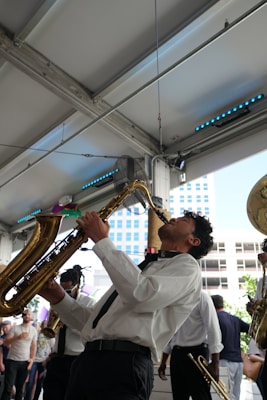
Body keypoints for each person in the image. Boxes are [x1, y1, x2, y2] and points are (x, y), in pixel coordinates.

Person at [39, 210, 214, 400]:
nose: (173, 219)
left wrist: (101, 240)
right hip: (89, 361)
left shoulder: (188, 266)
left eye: (183, 220)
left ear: (194, 240)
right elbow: (92, 323)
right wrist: (58, 298)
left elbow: (141, 295)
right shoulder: (141, 271)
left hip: (125, 365)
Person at [41, 265, 95, 400]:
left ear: (78, 286)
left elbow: (90, 332)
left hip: (77, 359)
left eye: (69, 291)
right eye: (62, 291)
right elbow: (52, 331)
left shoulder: (89, 303)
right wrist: (51, 323)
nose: (65, 295)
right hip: (57, 358)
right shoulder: (56, 301)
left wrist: (69, 322)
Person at [158, 291, 223, 400]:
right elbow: (170, 332)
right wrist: (163, 361)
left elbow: (213, 329)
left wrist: (215, 364)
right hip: (177, 354)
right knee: (179, 397)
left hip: (197, 354)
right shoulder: (174, 299)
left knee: (201, 396)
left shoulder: (202, 297)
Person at [211, 294, 250, 400]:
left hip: (224, 361)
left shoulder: (215, 319)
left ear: (211, 305)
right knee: (235, 395)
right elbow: (250, 329)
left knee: (224, 395)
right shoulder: (235, 319)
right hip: (239, 362)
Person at [0, 309, 37, 400]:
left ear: (31, 317)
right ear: (22, 316)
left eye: (29, 314)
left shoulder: (33, 330)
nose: (27, 316)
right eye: (25, 314)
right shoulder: (15, 328)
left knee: (20, 389)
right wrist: (18, 337)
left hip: (25, 362)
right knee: (8, 388)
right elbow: (6, 343)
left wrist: (31, 360)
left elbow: (34, 346)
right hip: (12, 360)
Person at [24, 320, 55, 400]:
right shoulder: (36, 333)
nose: (43, 324)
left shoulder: (50, 335)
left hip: (44, 361)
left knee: (39, 383)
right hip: (34, 360)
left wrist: (47, 360)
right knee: (30, 382)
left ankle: (36, 398)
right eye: (42, 323)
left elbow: (53, 349)